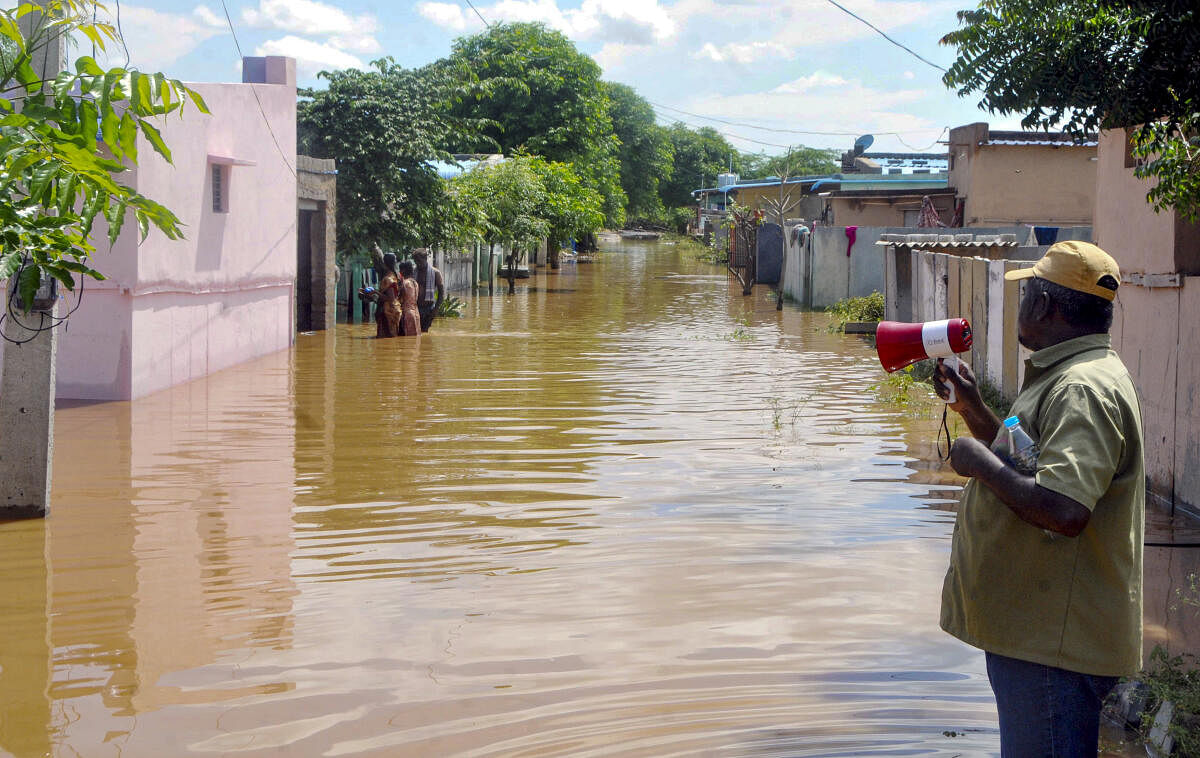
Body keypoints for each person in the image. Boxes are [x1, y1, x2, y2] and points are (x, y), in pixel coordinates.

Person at [933, 241, 1144, 757]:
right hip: (1041, 635)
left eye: (1026, 291)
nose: (1021, 302)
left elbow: (1065, 509)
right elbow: (1029, 464)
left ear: (1045, 306)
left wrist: (977, 462)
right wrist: (975, 413)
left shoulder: (1081, 389)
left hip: (1054, 646)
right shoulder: (1069, 376)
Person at [411, 248, 444, 333]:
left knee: (424, 332)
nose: (417, 263)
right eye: (415, 261)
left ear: (425, 259)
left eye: (419, 261)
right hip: (416, 307)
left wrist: (436, 309)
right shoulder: (413, 272)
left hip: (429, 309)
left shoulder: (436, 273)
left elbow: (441, 293)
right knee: (416, 333)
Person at [397, 259, 421, 337]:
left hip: (406, 313)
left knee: (406, 342)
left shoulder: (404, 283)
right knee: (415, 341)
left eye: (400, 270)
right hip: (416, 313)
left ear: (403, 270)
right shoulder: (415, 283)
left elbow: (399, 299)